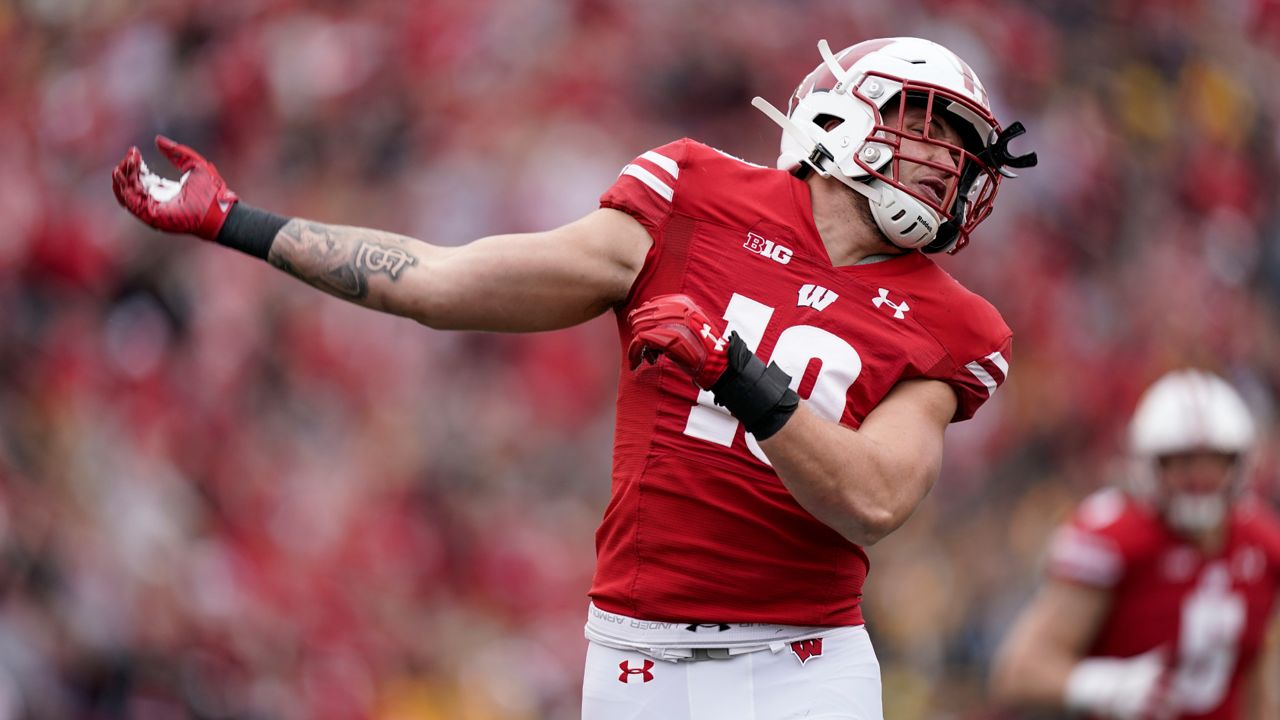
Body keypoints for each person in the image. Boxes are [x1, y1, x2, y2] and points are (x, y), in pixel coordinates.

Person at [112, 37, 1035, 720]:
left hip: (806, 666)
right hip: (634, 661)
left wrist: (735, 372)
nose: (951, 164)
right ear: (842, 115)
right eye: (932, 129)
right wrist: (237, 222)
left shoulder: (956, 323)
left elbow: (873, 500)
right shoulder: (692, 197)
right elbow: (439, 282)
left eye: (963, 146)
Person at [990, 369, 1280, 720]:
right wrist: (1105, 685)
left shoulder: (1262, 545)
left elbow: (1259, 678)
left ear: (1240, 464)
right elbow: (1017, 672)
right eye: (1182, 462)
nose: (1199, 477)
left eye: (1214, 461)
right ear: (1149, 465)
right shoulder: (1117, 540)